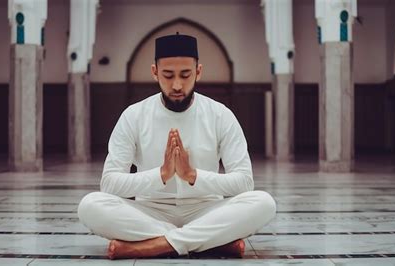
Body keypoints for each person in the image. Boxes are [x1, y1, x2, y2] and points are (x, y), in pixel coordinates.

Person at [77, 33, 276, 260]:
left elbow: (244, 182)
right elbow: (109, 184)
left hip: (205, 210)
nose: (177, 85)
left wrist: (192, 176)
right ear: (154, 72)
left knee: (263, 203)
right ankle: (211, 243)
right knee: (90, 205)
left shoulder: (220, 115)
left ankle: (153, 245)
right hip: (151, 211)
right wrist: (160, 175)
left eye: (186, 74)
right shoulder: (133, 116)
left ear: (198, 71)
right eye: (168, 75)